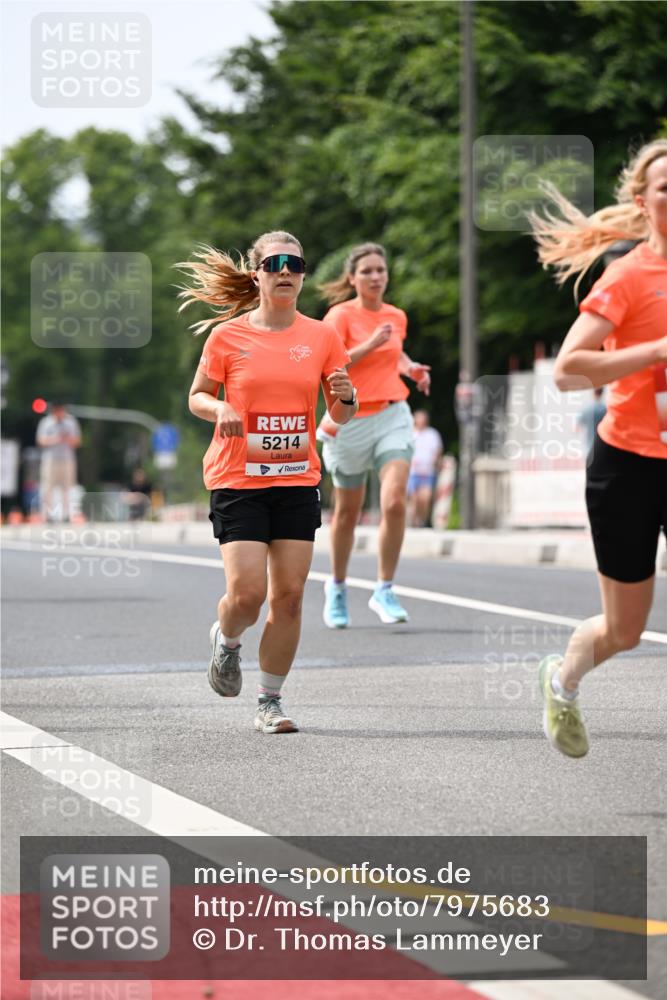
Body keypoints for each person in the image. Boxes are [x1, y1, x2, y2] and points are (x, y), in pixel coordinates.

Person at [176, 232, 356, 734]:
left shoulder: (322, 336)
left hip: (297, 476)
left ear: (303, 274)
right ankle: (228, 640)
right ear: (256, 273)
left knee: (291, 596)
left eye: (295, 264)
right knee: (248, 595)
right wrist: (221, 407)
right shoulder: (227, 337)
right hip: (238, 477)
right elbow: (196, 397)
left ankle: (270, 701)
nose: (285, 272)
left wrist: (347, 395)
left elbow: (341, 408)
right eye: (274, 263)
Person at [529, 139, 667, 758]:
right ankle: (563, 681)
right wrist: (658, 351)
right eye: (665, 186)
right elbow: (568, 370)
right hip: (630, 466)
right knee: (624, 630)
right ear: (645, 202)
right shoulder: (629, 276)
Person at [319, 242, 431, 628]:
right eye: (366, 271)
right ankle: (336, 587)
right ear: (352, 278)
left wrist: (412, 368)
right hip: (348, 419)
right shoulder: (340, 315)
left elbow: (394, 354)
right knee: (347, 513)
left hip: (391, 413)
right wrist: (370, 343)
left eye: (380, 270)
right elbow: (332, 362)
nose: (375, 276)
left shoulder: (396, 316)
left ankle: (384, 588)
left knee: (395, 501)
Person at [36, 402, 81, 522]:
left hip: (67, 459)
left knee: (67, 488)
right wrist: (56, 439)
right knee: (47, 488)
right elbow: (41, 441)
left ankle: (66, 515)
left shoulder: (71, 422)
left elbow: (77, 441)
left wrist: (67, 439)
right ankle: (47, 515)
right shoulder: (46, 422)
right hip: (50, 459)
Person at [407, 410, 443, 527]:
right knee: (414, 498)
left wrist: (436, 461)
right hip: (413, 472)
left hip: (427, 471)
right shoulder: (409, 434)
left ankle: (421, 519)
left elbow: (438, 450)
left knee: (425, 498)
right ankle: (414, 521)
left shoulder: (432, 434)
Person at [576, 387, 607, 456]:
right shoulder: (606, 410)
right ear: (602, 393)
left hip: (589, 446)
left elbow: (576, 428)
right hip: (603, 446)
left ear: (593, 393)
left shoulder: (586, 409)